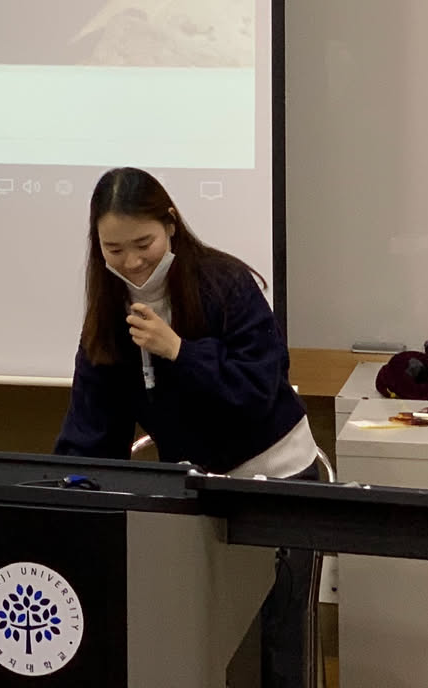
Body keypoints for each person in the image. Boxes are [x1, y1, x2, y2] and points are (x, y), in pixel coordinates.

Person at [55, 167, 322, 688]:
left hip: (279, 482)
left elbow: (258, 389)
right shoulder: (108, 314)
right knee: (201, 640)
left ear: (171, 225)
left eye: (144, 244)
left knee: (277, 640)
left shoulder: (227, 283)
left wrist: (178, 350)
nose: (132, 262)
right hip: (197, 492)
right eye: (114, 249)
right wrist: (67, 493)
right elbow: (92, 431)